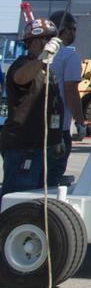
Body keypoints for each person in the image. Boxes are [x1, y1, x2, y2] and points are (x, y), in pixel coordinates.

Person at [1, 18, 67, 199]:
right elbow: (21, 77)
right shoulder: (24, 64)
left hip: (45, 148)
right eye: (49, 40)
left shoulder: (47, 70)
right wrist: (42, 58)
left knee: (36, 200)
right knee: (17, 200)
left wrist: (57, 137)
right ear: (37, 41)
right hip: (24, 148)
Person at [47, 10, 85, 185]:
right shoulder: (70, 56)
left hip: (35, 127)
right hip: (59, 129)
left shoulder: (40, 55)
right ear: (65, 30)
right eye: (73, 29)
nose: (74, 33)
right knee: (52, 177)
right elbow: (71, 91)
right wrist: (80, 122)